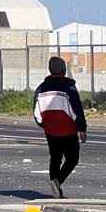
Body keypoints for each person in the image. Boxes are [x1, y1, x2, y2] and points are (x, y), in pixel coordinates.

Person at [32, 57, 87, 199]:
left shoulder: (40, 88)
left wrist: (45, 125)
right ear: (63, 70)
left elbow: (37, 114)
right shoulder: (69, 87)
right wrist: (82, 128)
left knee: (55, 159)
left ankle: (57, 189)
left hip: (50, 130)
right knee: (72, 159)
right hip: (68, 129)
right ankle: (57, 181)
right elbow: (76, 110)